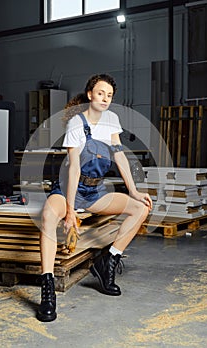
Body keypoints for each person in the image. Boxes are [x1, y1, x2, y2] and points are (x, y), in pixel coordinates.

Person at [36, 73, 152, 322]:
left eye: (109, 95)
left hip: (95, 191)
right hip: (69, 189)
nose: (105, 99)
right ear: (90, 94)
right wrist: (69, 211)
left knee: (140, 208)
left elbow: (119, 155)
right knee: (47, 216)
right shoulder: (76, 124)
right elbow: (74, 168)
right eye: (101, 93)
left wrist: (133, 190)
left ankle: (108, 261)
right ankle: (47, 289)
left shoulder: (111, 120)